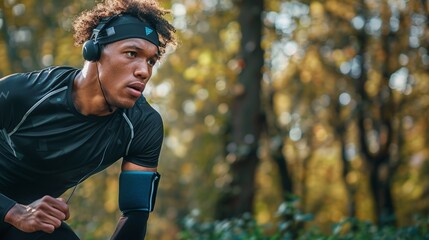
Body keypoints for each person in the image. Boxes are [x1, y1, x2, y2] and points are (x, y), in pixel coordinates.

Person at [0, 0, 177, 239]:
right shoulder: (23, 93)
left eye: (151, 61)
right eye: (131, 53)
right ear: (93, 51)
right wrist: (12, 211)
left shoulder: (143, 125)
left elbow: (135, 212)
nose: (144, 71)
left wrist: (21, 214)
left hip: (33, 221)